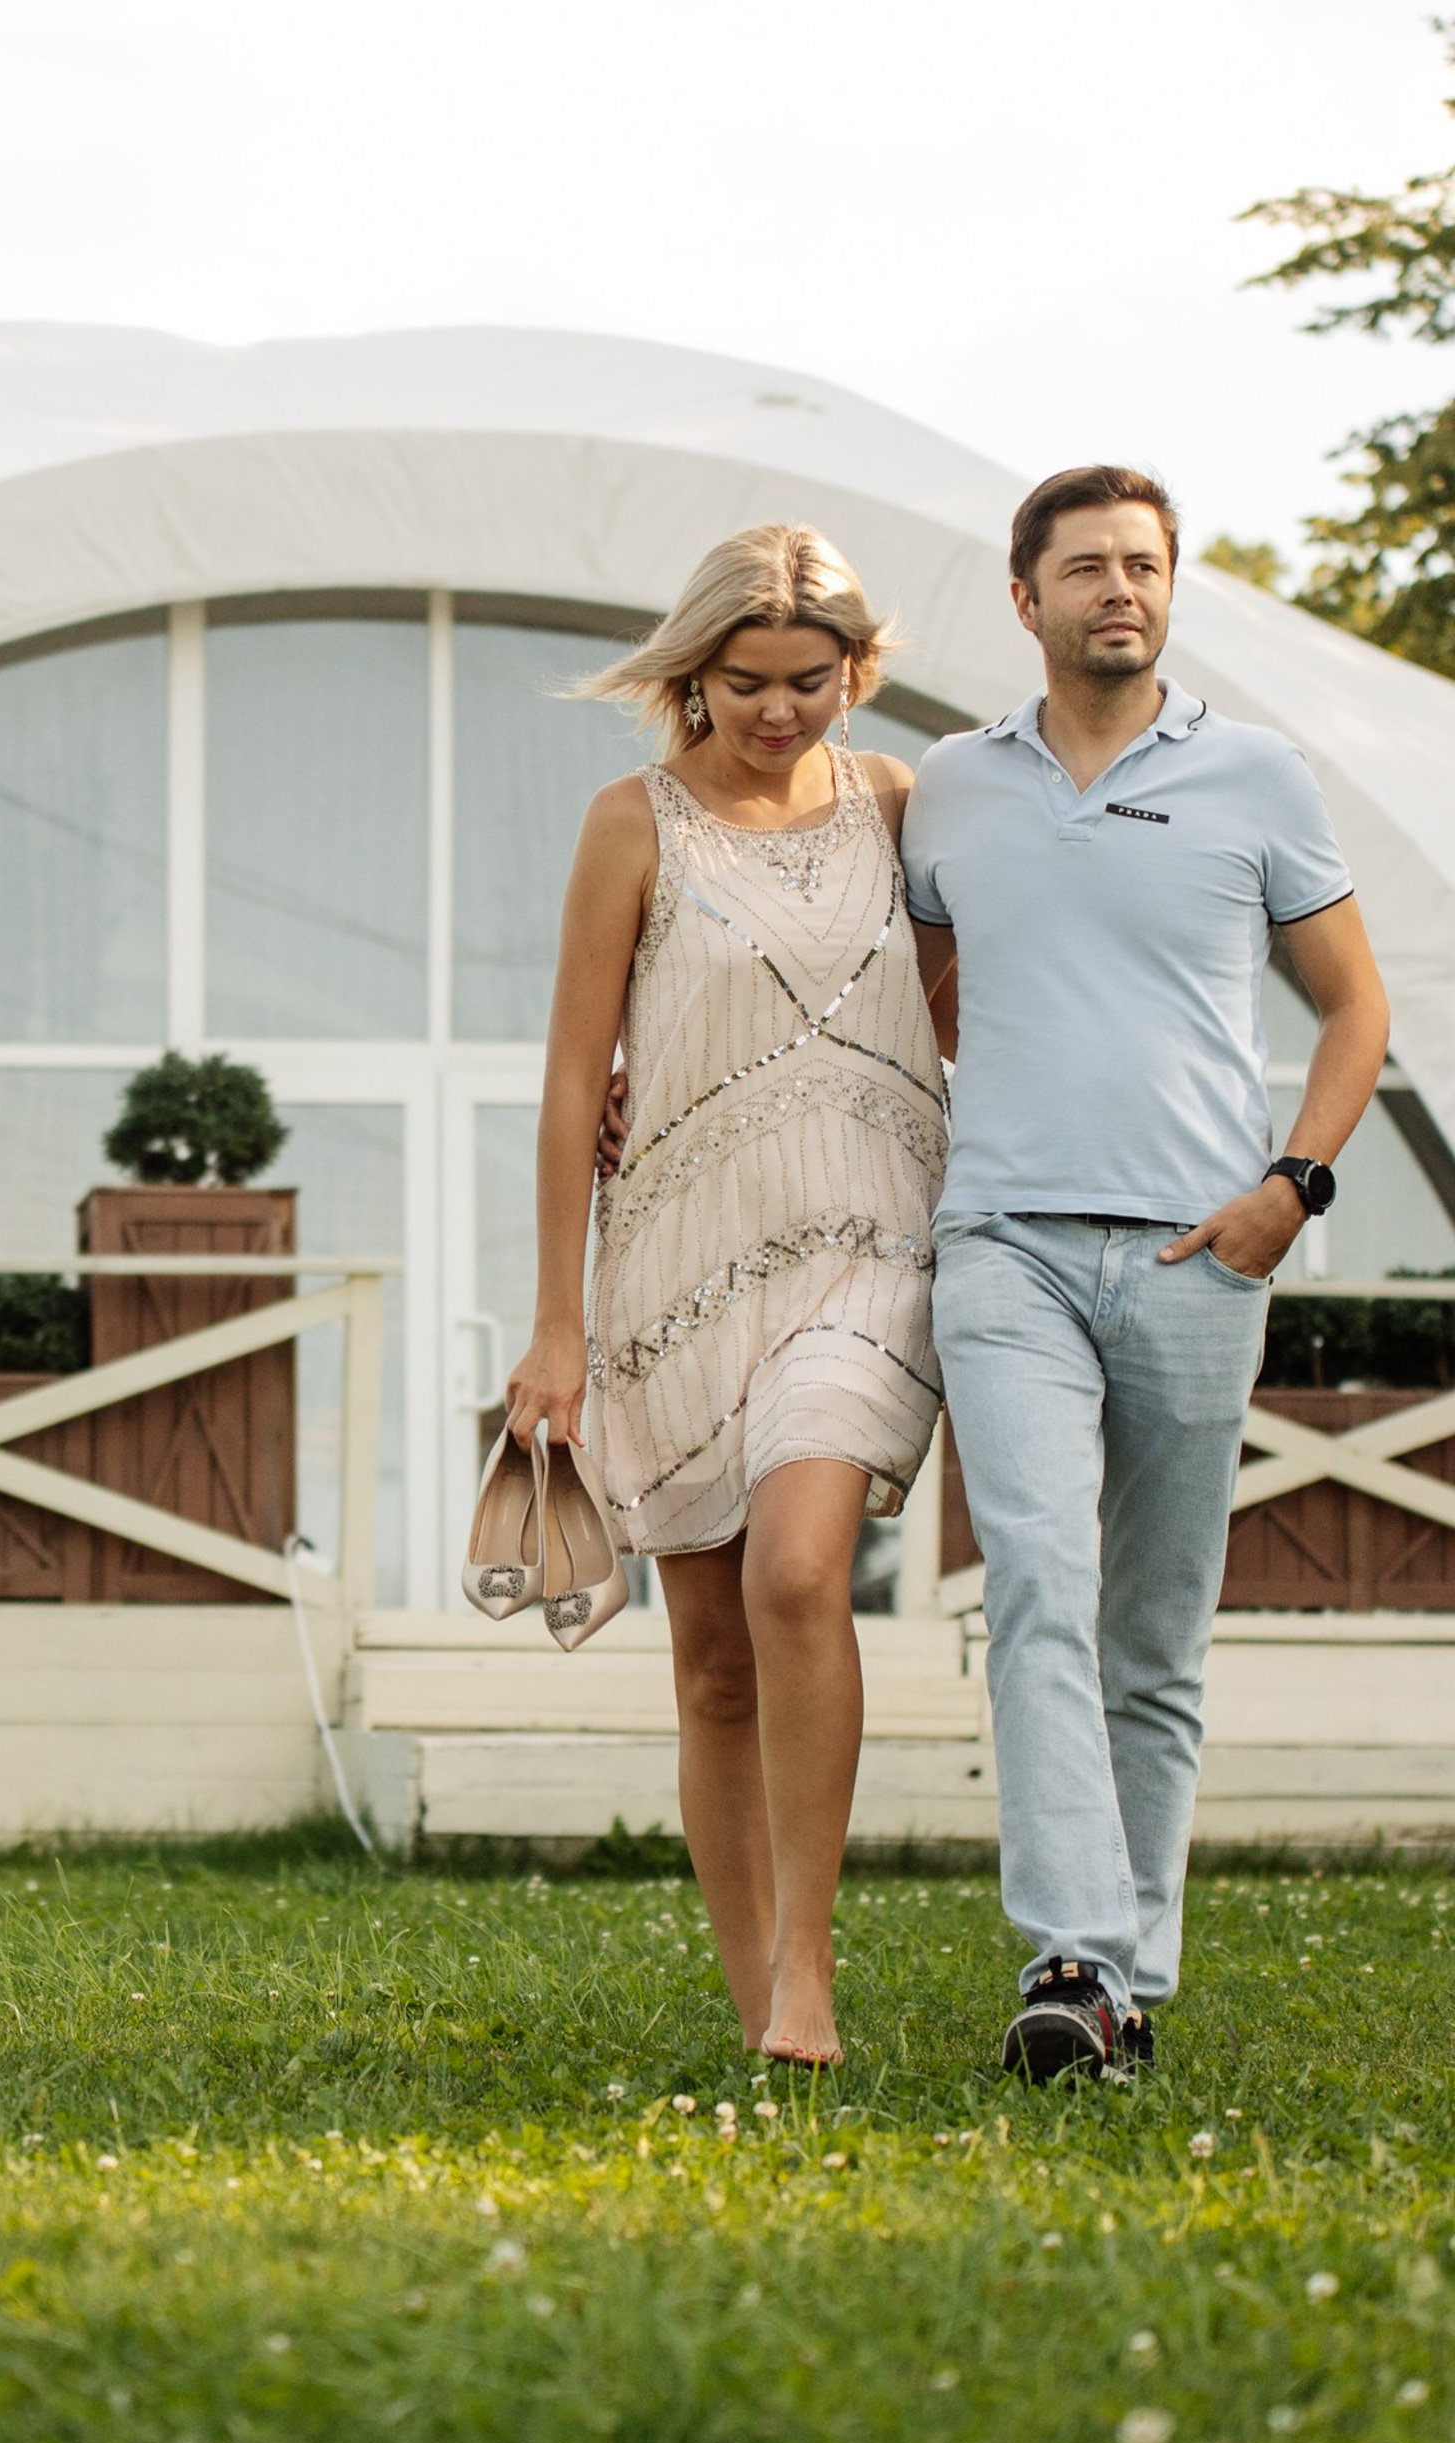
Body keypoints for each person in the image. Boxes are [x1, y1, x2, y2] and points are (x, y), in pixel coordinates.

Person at [903, 466, 1389, 2082]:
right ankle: (1073, 1958)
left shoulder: (1259, 776)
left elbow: (1356, 1012)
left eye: (1146, 565)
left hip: (1202, 1253)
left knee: (1156, 1639)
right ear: (1026, 597)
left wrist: (1292, 1189)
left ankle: (1126, 1987)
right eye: (1089, 567)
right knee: (1040, 1587)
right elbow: (906, 991)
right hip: (1006, 1247)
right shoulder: (952, 789)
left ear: (1170, 590)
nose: (1121, 588)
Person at [502, 525, 949, 2069]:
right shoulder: (631, 824)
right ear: (691, 673)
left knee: (800, 1574)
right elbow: (571, 1082)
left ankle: (813, 1976)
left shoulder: (900, 807)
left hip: (867, 1248)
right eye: (743, 683)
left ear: (857, 670)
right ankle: (759, 1993)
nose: (775, 713)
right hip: (674, 1265)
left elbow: (958, 1003)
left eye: (807, 683)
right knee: (708, 1660)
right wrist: (555, 1325)